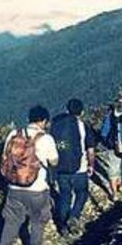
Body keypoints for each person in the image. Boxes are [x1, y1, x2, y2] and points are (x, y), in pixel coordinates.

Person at [0, 105, 59, 245]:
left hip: (14, 186)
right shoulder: (45, 139)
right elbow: (54, 161)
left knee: (12, 220)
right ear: (44, 121)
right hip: (37, 189)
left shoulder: (13, 134)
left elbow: (5, 157)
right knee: (38, 222)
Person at [50, 98, 97, 236]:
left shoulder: (56, 124)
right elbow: (90, 150)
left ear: (67, 110)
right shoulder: (83, 126)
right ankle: (74, 216)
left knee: (65, 195)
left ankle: (63, 226)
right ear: (81, 112)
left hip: (60, 168)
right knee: (82, 193)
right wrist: (91, 165)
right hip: (79, 168)